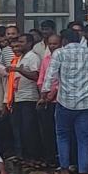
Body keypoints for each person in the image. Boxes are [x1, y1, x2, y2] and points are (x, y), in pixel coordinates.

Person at [42, 29, 88, 174]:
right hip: (86, 103)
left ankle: (64, 169)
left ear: (64, 41)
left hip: (64, 102)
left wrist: (45, 93)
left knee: (62, 136)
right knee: (84, 139)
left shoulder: (59, 54)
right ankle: (83, 173)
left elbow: (50, 76)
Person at [9, 34, 41, 160]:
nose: (19, 44)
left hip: (29, 97)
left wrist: (19, 70)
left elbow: (35, 75)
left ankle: (33, 156)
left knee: (29, 129)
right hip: (19, 97)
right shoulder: (22, 57)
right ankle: (24, 155)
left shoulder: (33, 57)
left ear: (29, 43)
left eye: (22, 42)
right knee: (21, 129)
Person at [36, 35, 61, 166]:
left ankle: (59, 158)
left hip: (58, 100)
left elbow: (59, 81)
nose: (52, 46)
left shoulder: (63, 59)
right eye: (50, 44)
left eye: (55, 44)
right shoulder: (46, 59)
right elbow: (41, 78)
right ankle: (49, 157)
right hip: (45, 99)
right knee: (46, 131)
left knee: (58, 131)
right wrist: (43, 96)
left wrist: (51, 95)